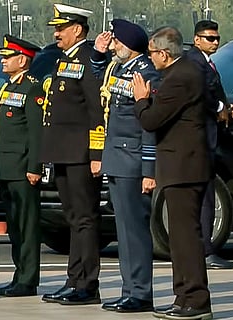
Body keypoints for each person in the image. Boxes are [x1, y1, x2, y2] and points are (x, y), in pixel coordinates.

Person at [132, 26, 213, 320]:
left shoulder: (180, 78)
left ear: (164, 54)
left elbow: (152, 120)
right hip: (180, 166)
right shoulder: (179, 74)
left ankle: (196, 299)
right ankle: (184, 297)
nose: (150, 59)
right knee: (178, 238)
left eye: (152, 53)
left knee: (185, 238)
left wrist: (141, 99)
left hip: (184, 168)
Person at [91, 19, 159, 313]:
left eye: (117, 41)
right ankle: (128, 288)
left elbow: (148, 126)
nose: (114, 45)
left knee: (135, 231)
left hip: (133, 160)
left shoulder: (146, 74)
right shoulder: (118, 68)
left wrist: (148, 170)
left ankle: (141, 292)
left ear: (130, 44)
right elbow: (99, 82)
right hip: (117, 158)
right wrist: (98, 53)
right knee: (123, 230)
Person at [39, 3, 105, 305]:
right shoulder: (64, 59)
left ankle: (87, 283)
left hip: (81, 153)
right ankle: (74, 279)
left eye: (61, 28)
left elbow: (96, 109)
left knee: (85, 218)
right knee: (73, 218)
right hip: (64, 153)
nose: (56, 33)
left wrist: (96, 152)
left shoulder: (88, 58)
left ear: (77, 29)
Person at [0, 35, 44, 297]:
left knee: (27, 225)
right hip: (7, 167)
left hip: (23, 168)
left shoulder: (32, 89)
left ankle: (28, 278)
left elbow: (35, 133)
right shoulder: (8, 88)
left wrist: (35, 166)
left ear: (22, 60)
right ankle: (18, 274)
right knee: (14, 226)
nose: (3, 61)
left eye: (8, 57)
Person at [185, 20, 233, 270]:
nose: (215, 42)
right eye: (210, 38)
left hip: (208, 137)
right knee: (204, 198)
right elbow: (200, 95)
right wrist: (220, 109)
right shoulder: (195, 63)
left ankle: (203, 249)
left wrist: (227, 110)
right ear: (196, 39)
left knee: (204, 197)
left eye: (217, 38)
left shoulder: (205, 62)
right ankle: (205, 250)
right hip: (199, 140)